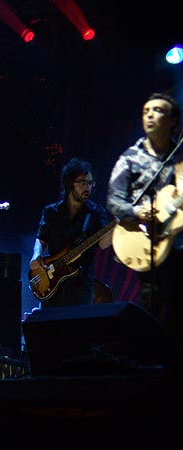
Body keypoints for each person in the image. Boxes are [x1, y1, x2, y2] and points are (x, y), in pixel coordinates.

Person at [107, 92, 183, 344]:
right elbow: (114, 200)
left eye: (158, 110)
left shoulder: (181, 158)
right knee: (152, 310)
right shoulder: (130, 157)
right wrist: (137, 212)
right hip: (146, 244)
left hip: (179, 245)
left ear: (173, 122)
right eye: (146, 111)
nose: (150, 115)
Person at [29, 157, 112, 308]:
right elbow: (41, 239)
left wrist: (117, 228)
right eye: (82, 182)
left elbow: (103, 244)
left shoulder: (96, 213)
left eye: (90, 183)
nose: (87, 188)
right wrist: (36, 256)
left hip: (80, 287)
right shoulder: (51, 212)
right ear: (69, 184)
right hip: (51, 282)